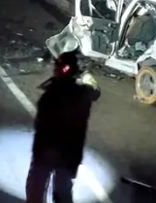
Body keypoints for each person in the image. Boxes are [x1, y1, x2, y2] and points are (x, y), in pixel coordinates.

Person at [26, 49, 101, 203]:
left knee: (35, 190)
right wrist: (86, 76)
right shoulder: (82, 93)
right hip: (69, 154)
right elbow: (95, 91)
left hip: (46, 152)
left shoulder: (51, 95)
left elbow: (40, 125)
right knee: (62, 194)